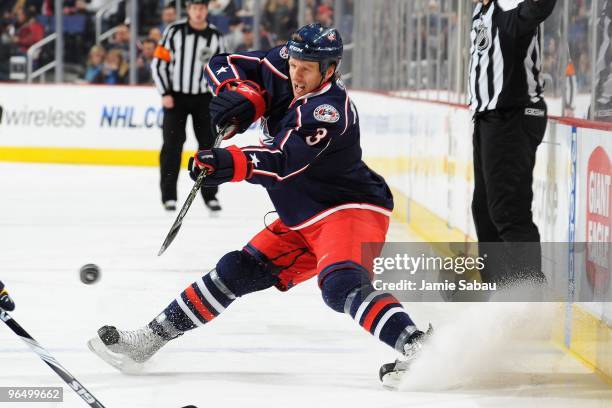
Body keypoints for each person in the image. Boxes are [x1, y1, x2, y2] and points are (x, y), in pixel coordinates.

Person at [88, 23, 431, 389]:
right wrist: (240, 92)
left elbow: (282, 160)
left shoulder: (328, 111)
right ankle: (146, 342)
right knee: (236, 269)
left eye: (307, 69)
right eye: (294, 64)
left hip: (347, 209)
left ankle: (420, 348)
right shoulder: (285, 64)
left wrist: (229, 162)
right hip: (301, 216)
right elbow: (222, 62)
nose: (296, 75)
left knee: (340, 285)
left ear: (329, 70)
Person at [469, 0, 556, 286]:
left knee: (508, 211)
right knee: (484, 210)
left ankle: (528, 301)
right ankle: (500, 296)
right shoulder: (482, 9)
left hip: (513, 116)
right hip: (487, 118)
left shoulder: (508, 3)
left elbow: (538, 8)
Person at [151, 0, 226, 212]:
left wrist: (219, 96)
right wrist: (165, 92)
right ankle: (169, 197)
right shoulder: (174, 32)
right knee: (172, 147)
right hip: (176, 98)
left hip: (205, 99)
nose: (198, 12)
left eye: (202, 8)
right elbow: (159, 63)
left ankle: (210, 195)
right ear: (188, 10)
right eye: (195, 8)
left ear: (207, 10)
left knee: (209, 148)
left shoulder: (216, 37)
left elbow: (223, 69)